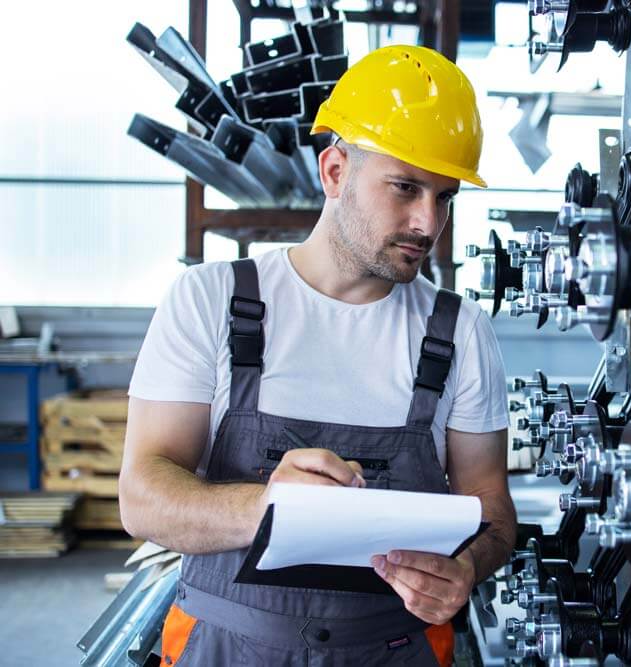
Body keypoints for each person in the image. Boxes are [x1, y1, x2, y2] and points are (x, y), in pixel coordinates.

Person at [119, 44, 516, 666]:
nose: (426, 221)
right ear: (335, 172)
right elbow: (143, 497)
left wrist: (467, 565)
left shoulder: (460, 332)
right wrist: (269, 507)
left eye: (445, 197)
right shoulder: (211, 301)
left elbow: (491, 506)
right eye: (405, 187)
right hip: (226, 650)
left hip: (393, 651)